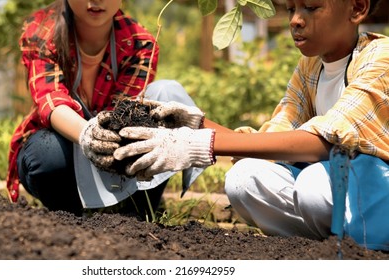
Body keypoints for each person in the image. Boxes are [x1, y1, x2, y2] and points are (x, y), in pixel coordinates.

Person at [111, 0, 389, 243]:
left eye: (311, 7)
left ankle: (359, 239)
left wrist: (199, 144)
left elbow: (323, 143)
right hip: (337, 195)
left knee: (313, 185)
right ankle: (325, 243)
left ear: (357, 8)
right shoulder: (310, 68)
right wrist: (193, 124)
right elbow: (274, 139)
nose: (295, 20)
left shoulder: (380, 58)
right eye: (291, 8)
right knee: (244, 179)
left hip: (375, 189)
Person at [6, 0, 205, 217]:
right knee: (46, 154)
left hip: (116, 151)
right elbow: (51, 100)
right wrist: (86, 134)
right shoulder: (42, 30)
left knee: (166, 92)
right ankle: (68, 216)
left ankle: (138, 213)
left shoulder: (139, 43)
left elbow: (123, 114)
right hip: (65, 146)